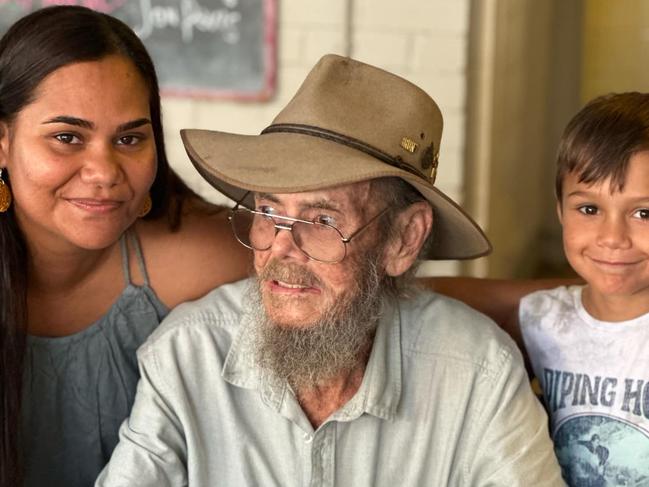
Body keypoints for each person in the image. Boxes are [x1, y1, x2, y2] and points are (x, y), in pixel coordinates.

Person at [97, 54, 564, 486]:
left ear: (404, 240)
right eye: (269, 211)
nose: (281, 247)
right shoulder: (186, 355)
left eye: (322, 220)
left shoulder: (478, 373)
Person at [0, 6, 249, 487]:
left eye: (130, 138)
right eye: (67, 137)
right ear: (3, 142)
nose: (105, 172)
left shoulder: (205, 254)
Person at [510, 92, 649, 486]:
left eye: (644, 213)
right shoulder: (542, 318)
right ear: (560, 210)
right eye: (589, 209)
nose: (612, 237)